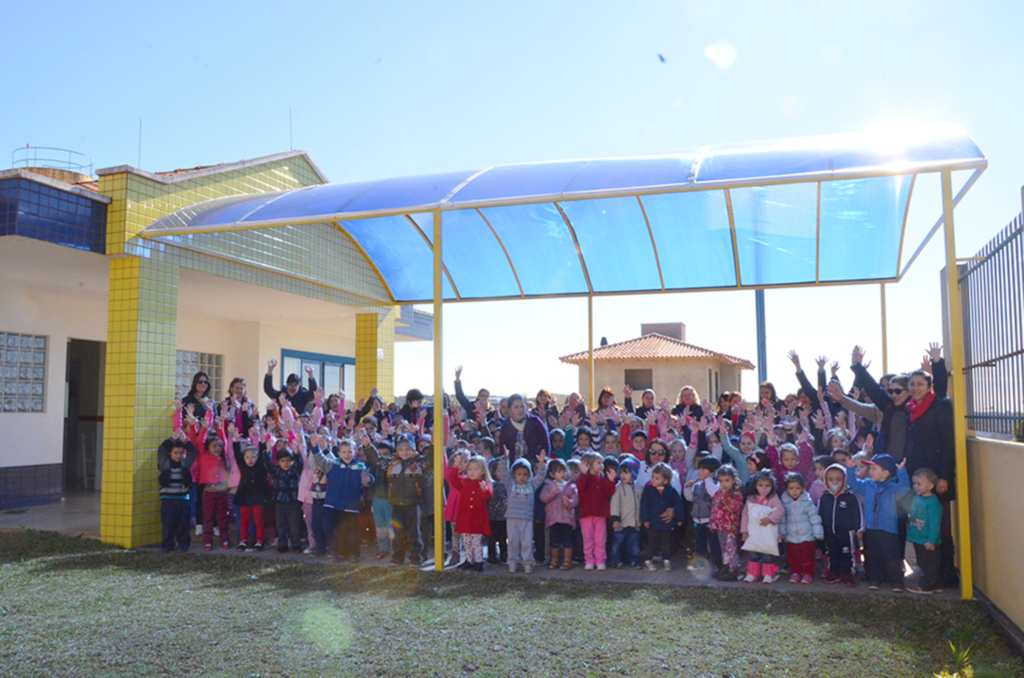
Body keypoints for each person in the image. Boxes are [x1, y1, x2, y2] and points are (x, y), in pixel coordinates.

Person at [844, 453, 909, 592]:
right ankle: (874, 579)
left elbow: (905, 488)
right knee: (873, 556)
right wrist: (850, 469)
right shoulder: (868, 485)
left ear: (885, 473)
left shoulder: (892, 488)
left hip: (889, 530)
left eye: (874, 469)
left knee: (892, 557)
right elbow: (853, 483)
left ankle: (896, 581)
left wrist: (902, 471)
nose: (870, 471)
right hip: (871, 529)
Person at [307, 434, 374, 562]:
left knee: (352, 532)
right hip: (333, 504)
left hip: (351, 506)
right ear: (338, 453)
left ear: (355, 452)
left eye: (350, 452)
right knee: (337, 531)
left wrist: (369, 480)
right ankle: (339, 553)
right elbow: (320, 460)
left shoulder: (360, 466)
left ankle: (354, 553)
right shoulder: (333, 464)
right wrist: (315, 448)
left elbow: (366, 480)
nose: (347, 455)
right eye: (344, 452)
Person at [366, 433, 424, 567]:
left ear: (413, 450)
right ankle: (397, 558)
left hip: (413, 504)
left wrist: (433, 446)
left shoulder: (419, 462)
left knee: (414, 533)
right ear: (397, 451)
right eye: (401, 449)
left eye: (408, 449)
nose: (405, 452)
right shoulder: (391, 463)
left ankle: (416, 558)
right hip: (396, 504)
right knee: (396, 533)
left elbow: (432, 459)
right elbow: (376, 460)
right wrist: (368, 447)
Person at [445, 454, 494, 572]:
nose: (472, 472)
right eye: (470, 469)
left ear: (482, 471)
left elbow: (488, 495)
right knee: (466, 540)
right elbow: (453, 480)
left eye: (475, 469)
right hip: (465, 518)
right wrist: (456, 466)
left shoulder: (483, 484)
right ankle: (468, 560)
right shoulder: (464, 482)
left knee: (476, 541)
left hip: (477, 519)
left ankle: (478, 561)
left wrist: (485, 490)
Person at [818, 463, 863, 587]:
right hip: (829, 532)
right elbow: (819, 514)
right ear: (825, 481)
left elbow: (857, 513)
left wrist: (859, 529)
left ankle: (848, 573)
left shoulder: (850, 497)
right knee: (832, 553)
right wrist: (819, 530)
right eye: (831, 480)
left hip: (846, 533)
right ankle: (834, 573)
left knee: (847, 553)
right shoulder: (824, 498)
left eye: (838, 480)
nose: (835, 483)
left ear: (844, 480)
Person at [503, 455, 547, 573]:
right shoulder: (510, 484)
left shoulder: (531, 485)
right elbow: (504, 474)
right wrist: (505, 459)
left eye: (525, 474)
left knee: (527, 542)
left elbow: (541, 477)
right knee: (512, 541)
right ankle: (513, 562)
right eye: (519, 474)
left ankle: (527, 563)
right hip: (512, 517)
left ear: (529, 475)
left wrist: (542, 465)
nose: (522, 477)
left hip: (527, 518)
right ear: (514, 474)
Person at [741, 469, 784, 584]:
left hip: (768, 531)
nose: (764, 489)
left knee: (767, 554)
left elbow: (780, 511)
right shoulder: (751, 499)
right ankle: (752, 573)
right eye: (760, 485)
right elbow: (745, 515)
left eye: (767, 486)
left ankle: (768, 573)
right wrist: (744, 531)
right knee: (753, 553)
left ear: (772, 486)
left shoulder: (773, 499)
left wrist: (770, 519)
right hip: (754, 532)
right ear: (755, 486)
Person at [780, 473, 824, 584]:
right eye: (791, 488)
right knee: (793, 557)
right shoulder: (784, 502)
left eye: (797, 488)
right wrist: (782, 532)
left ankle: (808, 573)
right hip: (791, 536)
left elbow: (814, 518)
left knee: (807, 557)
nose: (794, 491)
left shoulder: (807, 502)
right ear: (787, 489)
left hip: (807, 536)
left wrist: (818, 533)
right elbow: (782, 519)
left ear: (803, 489)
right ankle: (795, 572)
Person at [640, 462, 685, 571]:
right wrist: (645, 519)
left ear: (666, 481)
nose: (653, 480)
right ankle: (648, 560)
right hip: (653, 522)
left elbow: (678, 503)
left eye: (657, 478)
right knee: (652, 542)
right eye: (653, 477)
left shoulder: (671, 491)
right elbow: (644, 504)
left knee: (666, 542)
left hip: (666, 522)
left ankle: (667, 560)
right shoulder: (649, 490)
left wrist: (680, 518)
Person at [157, 433, 198, 553]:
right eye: (175, 453)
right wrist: (172, 439)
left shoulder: (185, 463)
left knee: (183, 524)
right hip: (167, 499)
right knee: (168, 524)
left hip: (183, 498)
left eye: (181, 453)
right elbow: (161, 450)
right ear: (170, 453)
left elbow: (193, 451)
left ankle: (183, 544)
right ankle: (167, 545)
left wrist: (185, 441)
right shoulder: (165, 464)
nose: (178, 456)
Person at [906, 468, 944, 594]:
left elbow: (935, 524)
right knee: (923, 562)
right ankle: (936, 584)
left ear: (930, 486)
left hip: (927, 541)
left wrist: (931, 541)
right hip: (918, 538)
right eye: (914, 484)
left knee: (928, 564)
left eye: (919, 484)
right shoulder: (917, 498)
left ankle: (926, 586)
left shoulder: (933, 504)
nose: (915, 487)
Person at [684, 454, 722, 573]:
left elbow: (714, 494)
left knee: (714, 544)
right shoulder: (697, 484)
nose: (699, 472)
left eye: (703, 469)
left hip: (710, 521)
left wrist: (708, 479)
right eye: (699, 469)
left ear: (712, 472)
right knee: (699, 545)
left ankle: (718, 564)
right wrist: (688, 488)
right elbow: (689, 498)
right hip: (698, 520)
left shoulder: (715, 484)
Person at [539, 458, 579, 570]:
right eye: (559, 471)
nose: (562, 473)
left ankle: (567, 561)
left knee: (567, 541)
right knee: (554, 541)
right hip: (553, 519)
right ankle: (554, 560)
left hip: (566, 519)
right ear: (552, 474)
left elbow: (576, 500)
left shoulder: (570, 485)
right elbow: (543, 498)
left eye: (564, 471)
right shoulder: (548, 486)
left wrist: (569, 503)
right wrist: (552, 493)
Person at [709, 464, 744, 581]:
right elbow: (715, 507)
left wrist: (725, 496)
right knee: (723, 547)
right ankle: (726, 567)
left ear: (733, 480)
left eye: (727, 480)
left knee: (731, 548)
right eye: (721, 481)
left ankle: (733, 570)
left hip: (729, 526)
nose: (724, 484)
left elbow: (734, 508)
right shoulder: (718, 492)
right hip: (720, 525)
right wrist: (713, 522)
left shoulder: (736, 493)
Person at [608, 457, 642, 569]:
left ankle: (635, 561)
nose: (623, 475)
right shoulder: (618, 488)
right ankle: (614, 560)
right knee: (616, 545)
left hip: (634, 523)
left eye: (627, 472)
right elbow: (615, 504)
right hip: (621, 524)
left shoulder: (639, 488)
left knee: (634, 546)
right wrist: (615, 519)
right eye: (621, 472)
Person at [269, 448, 304, 553]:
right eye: (283, 461)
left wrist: (296, 452)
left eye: (289, 460)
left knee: (294, 525)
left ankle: (296, 545)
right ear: (278, 462)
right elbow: (267, 464)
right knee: (281, 525)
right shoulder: (276, 471)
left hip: (293, 502)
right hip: (279, 502)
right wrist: (267, 451)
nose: (286, 463)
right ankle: (282, 545)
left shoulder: (294, 471)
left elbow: (300, 464)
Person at [498, 394, 550, 464]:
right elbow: (503, 449)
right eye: (516, 407)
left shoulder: (535, 421)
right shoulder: (506, 427)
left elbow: (546, 444)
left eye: (522, 406)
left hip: (535, 464)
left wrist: (540, 461)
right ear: (510, 410)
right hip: (514, 466)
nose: (520, 410)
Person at [486, 458, 508, 566]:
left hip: (504, 517)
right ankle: (492, 556)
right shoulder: (492, 483)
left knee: (503, 538)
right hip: (492, 517)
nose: (502, 473)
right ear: (494, 472)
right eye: (499, 471)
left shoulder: (508, 484)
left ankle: (504, 555)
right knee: (492, 538)